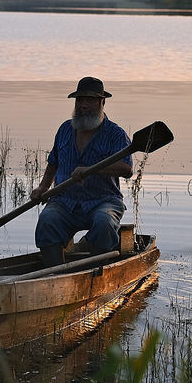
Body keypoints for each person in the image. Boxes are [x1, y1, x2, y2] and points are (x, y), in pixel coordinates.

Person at [30, 77, 133, 267]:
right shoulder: (65, 129)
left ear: (102, 102)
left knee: (104, 222)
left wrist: (92, 170)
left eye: (90, 100)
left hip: (103, 200)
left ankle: (96, 272)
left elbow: (126, 169)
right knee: (47, 220)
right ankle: (56, 275)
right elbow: (53, 163)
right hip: (64, 201)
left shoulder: (115, 134)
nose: (84, 105)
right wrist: (42, 187)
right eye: (80, 100)